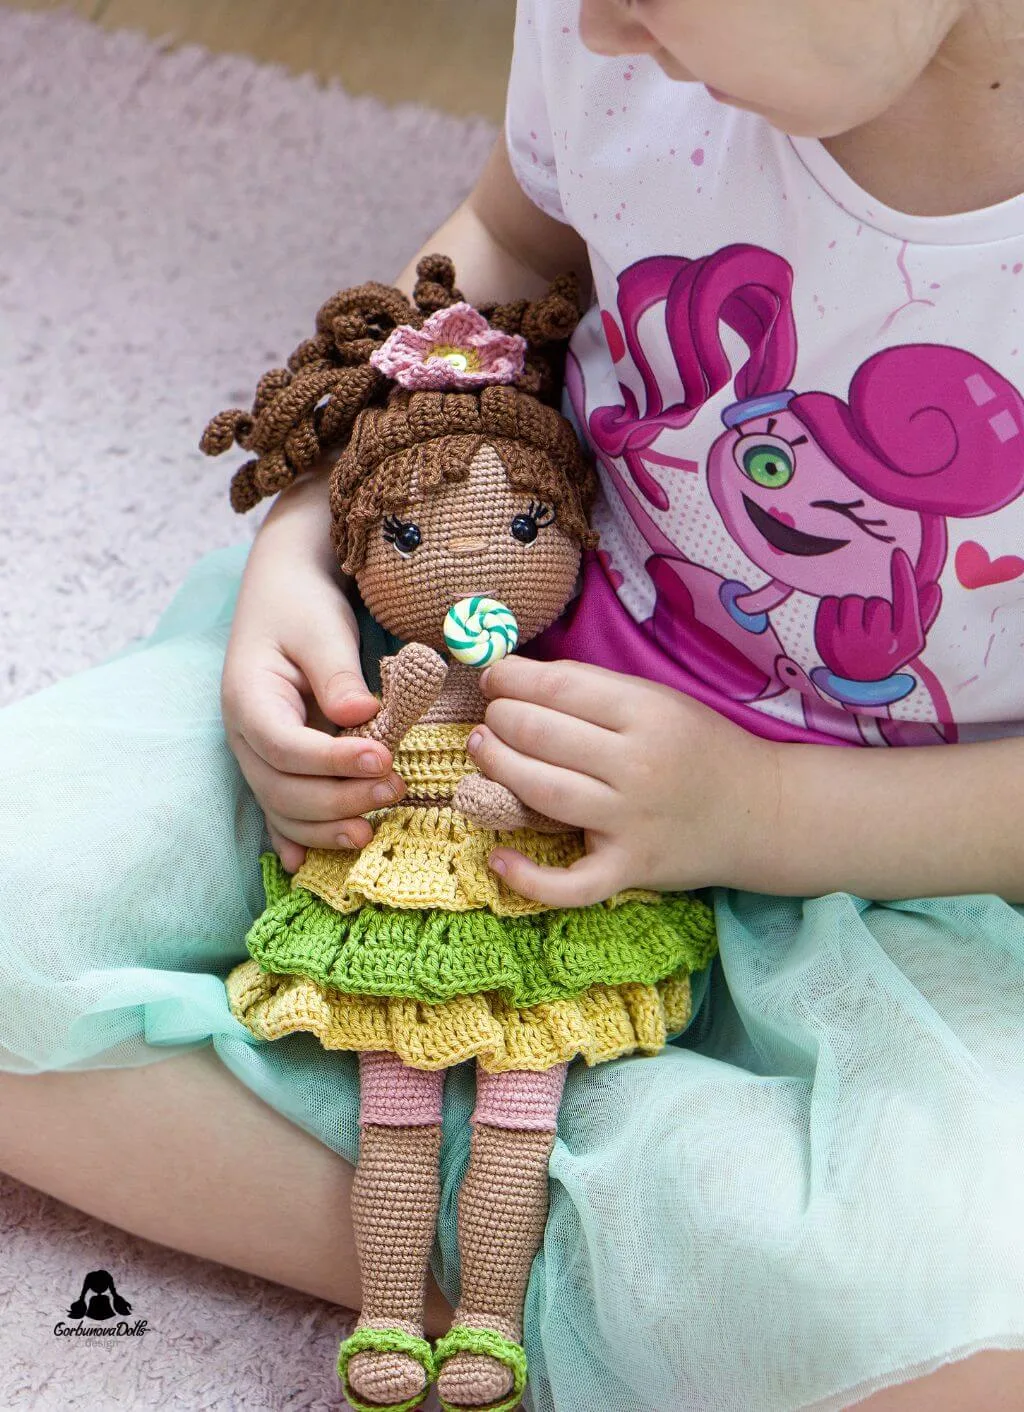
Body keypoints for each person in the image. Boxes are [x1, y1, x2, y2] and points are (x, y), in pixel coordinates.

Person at [2, 0, 1023, 1407]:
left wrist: (761, 812)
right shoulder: (626, 48)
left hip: (903, 871)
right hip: (460, 709)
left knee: (960, 1335)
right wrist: (303, 533)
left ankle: (518, 1217)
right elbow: (497, 253)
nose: (590, 27)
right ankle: (554, 1277)